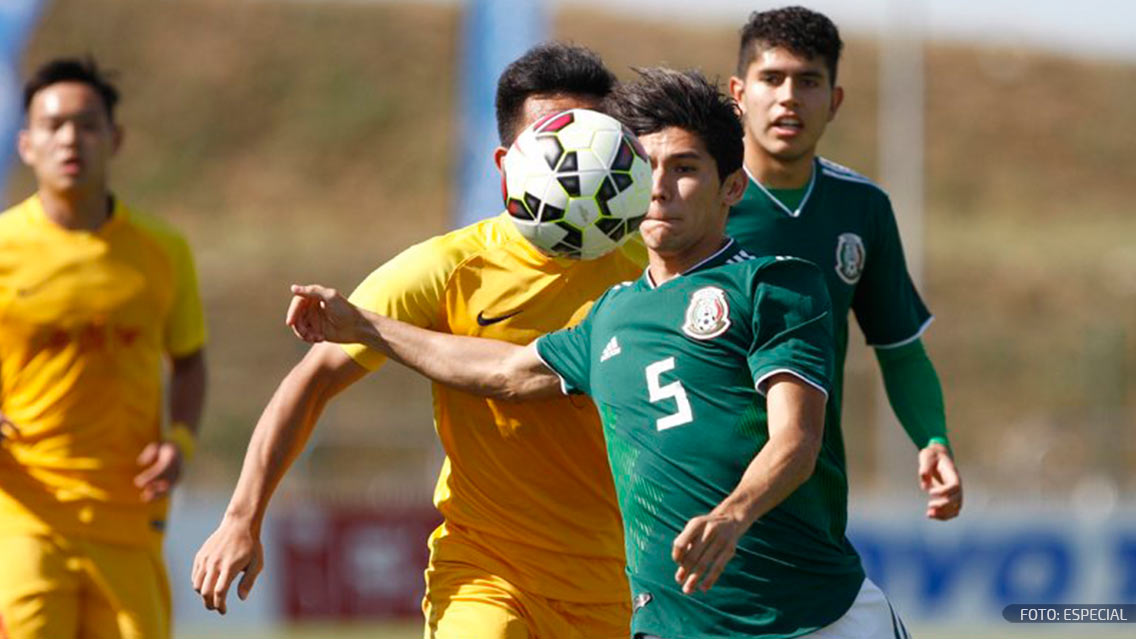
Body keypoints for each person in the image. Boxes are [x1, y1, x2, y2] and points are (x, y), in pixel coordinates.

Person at [284, 68, 910, 639]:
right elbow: (501, 371)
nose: (660, 188)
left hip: (816, 618)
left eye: (686, 168)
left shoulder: (776, 284)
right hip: (674, 626)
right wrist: (365, 324)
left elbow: (796, 441)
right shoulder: (613, 313)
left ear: (732, 187)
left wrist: (732, 515)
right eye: (648, 168)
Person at [191, 43, 646, 639]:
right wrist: (241, 518)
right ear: (506, 163)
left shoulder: (654, 271)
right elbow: (313, 379)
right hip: (486, 572)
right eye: (550, 144)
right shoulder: (447, 268)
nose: (576, 168)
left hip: (619, 584)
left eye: (591, 139)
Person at [727, 6, 962, 521]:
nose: (789, 96)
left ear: (833, 102)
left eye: (808, 81)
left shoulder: (862, 208)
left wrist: (933, 438)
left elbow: (899, 350)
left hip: (812, 495)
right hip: (698, 486)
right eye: (771, 78)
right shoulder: (690, 201)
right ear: (739, 94)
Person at [0, 57, 207, 639]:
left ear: (114, 139)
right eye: (54, 124)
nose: (71, 138)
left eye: (87, 124)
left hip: (129, 516)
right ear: (26, 143)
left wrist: (181, 441)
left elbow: (189, 360)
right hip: (24, 514)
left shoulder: (163, 250)